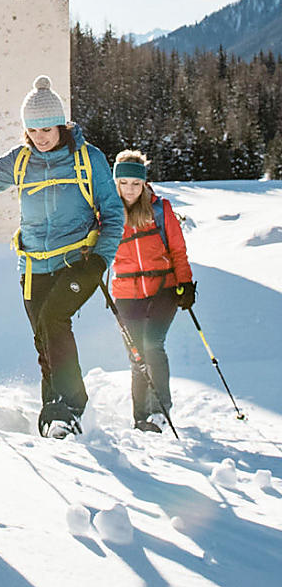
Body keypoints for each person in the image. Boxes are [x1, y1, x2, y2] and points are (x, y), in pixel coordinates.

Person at [0, 75, 124, 438]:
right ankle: (55, 413)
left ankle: (72, 406)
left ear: (61, 124)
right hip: (32, 267)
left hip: (79, 262)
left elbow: (113, 214)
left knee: (54, 319)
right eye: (33, 129)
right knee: (44, 339)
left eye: (47, 128)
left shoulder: (88, 159)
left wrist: (100, 259)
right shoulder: (20, 161)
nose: (41, 136)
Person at [111, 150, 196, 432]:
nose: (129, 189)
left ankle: (160, 410)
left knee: (152, 345)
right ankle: (140, 417)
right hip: (125, 292)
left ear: (144, 184)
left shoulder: (161, 210)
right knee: (137, 356)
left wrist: (185, 284)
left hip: (163, 289)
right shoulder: (107, 213)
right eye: (123, 183)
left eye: (135, 183)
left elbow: (178, 250)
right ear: (116, 182)